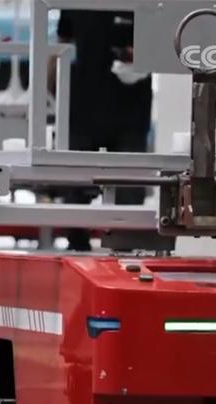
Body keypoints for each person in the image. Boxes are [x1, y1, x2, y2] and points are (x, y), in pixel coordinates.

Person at [51, 10, 152, 251]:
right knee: (74, 184)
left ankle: (124, 248)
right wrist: (53, 81)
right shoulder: (74, 5)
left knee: (129, 187)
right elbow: (63, 39)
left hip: (129, 108)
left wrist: (142, 57)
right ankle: (77, 244)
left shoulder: (144, 6)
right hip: (83, 104)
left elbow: (162, 41)